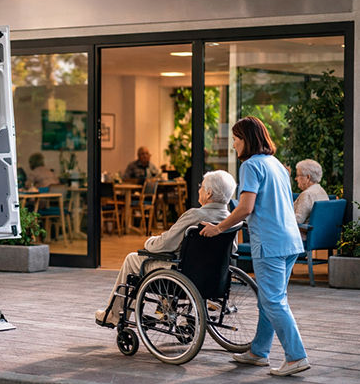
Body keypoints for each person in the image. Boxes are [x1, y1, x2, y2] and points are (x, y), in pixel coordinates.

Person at [200, 116, 309, 377]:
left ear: (246, 140)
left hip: (269, 242)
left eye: (236, 139)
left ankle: (296, 357)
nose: (234, 145)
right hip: (290, 241)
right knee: (269, 299)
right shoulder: (277, 165)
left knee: (273, 301)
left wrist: (218, 227)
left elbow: (246, 208)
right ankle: (258, 351)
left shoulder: (250, 166)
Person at [95, 170, 237, 328]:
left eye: (201, 187)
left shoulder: (195, 215)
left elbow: (164, 244)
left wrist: (150, 241)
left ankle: (115, 315)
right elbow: (232, 250)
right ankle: (165, 310)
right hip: (213, 278)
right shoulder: (230, 220)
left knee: (133, 259)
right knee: (171, 259)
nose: (199, 190)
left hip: (182, 275)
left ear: (209, 193)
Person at [293, 159, 329, 240]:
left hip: (304, 237)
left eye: (298, 175)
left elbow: (297, 220)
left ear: (308, 177)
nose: (295, 178)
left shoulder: (307, 194)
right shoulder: (322, 191)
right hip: (322, 236)